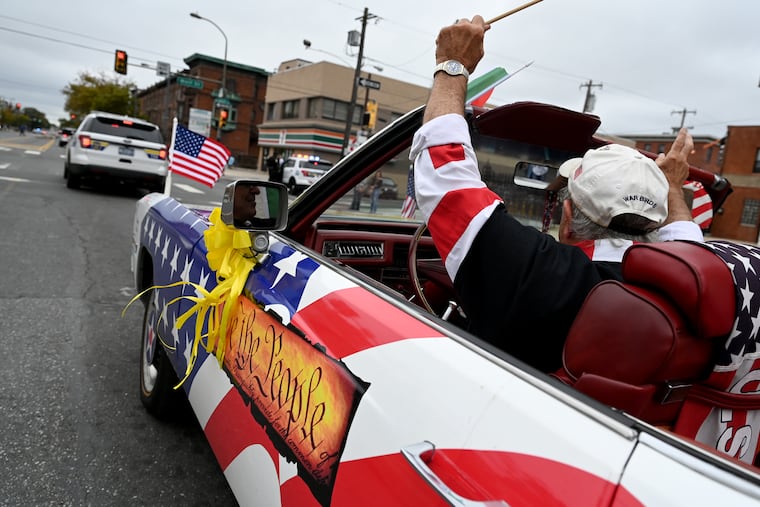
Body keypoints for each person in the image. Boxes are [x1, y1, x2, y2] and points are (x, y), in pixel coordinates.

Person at [409, 16, 702, 373]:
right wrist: (672, 187)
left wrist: (452, 65)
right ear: (655, 221)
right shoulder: (692, 281)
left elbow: (444, 171)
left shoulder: (534, 270)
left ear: (568, 218)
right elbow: (686, 242)